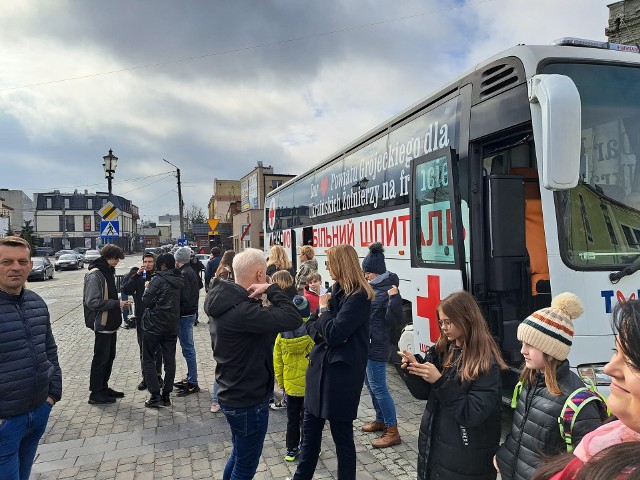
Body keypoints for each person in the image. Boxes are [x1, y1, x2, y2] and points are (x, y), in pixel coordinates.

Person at [205, 247, 302, 479]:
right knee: (246, 465)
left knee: (239, 455)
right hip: (248, 399)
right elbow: (293, 318)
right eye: (266, 275)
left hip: (232, 392)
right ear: (260, 275)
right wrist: (272, 289)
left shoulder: (224, 299)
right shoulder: (244, 312)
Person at [496, 293, 605, 479]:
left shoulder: (577, 403)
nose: (522, 350)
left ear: (551, 350)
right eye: (522, 343)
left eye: (530, 345)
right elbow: (519, 432)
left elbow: (588, 465)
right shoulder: (528, 381)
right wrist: (503, 457)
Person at [400, 290, 507, 480]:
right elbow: (424, 393)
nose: (444, 327)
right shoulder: (443, 349)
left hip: (467, 459)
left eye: (448, 322)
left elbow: (471, 414)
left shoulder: (485, 362)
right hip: (436, 451)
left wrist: (440, 381)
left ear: (466, 318)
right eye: (441, 322)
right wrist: (414, 369)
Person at [289, 244, 374, 480]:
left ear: (341, 264)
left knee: (342, 437)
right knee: (309, 436)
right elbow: (312, 328)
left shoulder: (359, 297)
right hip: (319, 373)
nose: (326, 267)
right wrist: (325, 323)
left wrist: (325, 312)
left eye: (329, 263)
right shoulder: (337, 291)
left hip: (340, 378)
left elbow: (334, 333)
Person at [532, 299, 640, 480]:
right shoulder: (614, 432)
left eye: (631, 361)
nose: (608, 368)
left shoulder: (572, 398)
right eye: (616, 351)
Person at [0, 236, 62, 480]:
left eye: (22, 261)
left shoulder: (36, 302)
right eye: (7, 261)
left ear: (30, 265)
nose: (15, 267)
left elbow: (50, 349)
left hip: (38, 411)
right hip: (6, 421)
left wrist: (52, 395)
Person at [360, 242, 404, 448]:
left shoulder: (388, 290)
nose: (365, 276)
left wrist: (394, 299)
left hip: (378, 345)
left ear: (375, 272)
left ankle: (392, 430)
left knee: (379, 387)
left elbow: (395, 320)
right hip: (369, 344)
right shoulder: (373, 287)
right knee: (371, 385)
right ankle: (380, 420)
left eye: (367, 273)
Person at [83, 244, 127, 405]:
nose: (117, 262)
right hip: (102, 323)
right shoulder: (96, 275)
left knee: (109, 357)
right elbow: (92, 302)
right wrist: (116, 304)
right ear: (110, 257)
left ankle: (103, 387)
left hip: (110, 323)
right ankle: (95, 393)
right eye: (116, 259)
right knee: (101, 358)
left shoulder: (107, 271)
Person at [273, 295, 315, 462]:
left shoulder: (281, 334)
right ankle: (308, 448)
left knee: (292, 420)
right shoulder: (312, 331)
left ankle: (291, 449)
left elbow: (277, 361)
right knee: (307, 420)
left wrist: (281, 383)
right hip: (310, 387)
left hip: (290, 388)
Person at [140, 253, 184, 408]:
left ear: (162, 265)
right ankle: (166, 394)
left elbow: (146, 301)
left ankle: (154, 395)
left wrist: (146, 288)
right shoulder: (179, 280)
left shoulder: (157, 280)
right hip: (171, 326)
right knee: (170, 360)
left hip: (153, 326)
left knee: (148, 359)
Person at [122, 252, 162, 391]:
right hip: (141, 317)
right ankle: (146, 378)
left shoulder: (158, 276)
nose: (147, 264)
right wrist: (136, 275)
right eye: (145, 261)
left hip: (156, 318)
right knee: (144, 350)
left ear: (154, 263)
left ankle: (157, 377)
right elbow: (126, 289)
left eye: (150, 261)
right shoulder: (137, 276)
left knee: (158, 350)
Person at [209, 251, 235, 414]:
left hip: (218, 326)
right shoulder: (227, 271)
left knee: (222, 364)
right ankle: (215, 400)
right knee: (223, 365)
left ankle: (217, 400)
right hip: (225, 327)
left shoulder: (220, 270)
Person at [173, 247, 201, 396]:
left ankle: (193, 382)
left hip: (184, 315)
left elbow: (183, 297)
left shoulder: (184, 274)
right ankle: (191, 377)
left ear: (178, 260)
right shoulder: (190, 271)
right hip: (190, 313)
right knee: (188, 348)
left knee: (188, 349)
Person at [189, 251, 205, 325]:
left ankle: (195, 318)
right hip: (193, 283)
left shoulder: (194, 262)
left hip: (194, 284)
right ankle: (194, 318)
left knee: (194, 301)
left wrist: (196, 261)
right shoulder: (187, 263)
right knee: (194, 301)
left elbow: (202, 267)